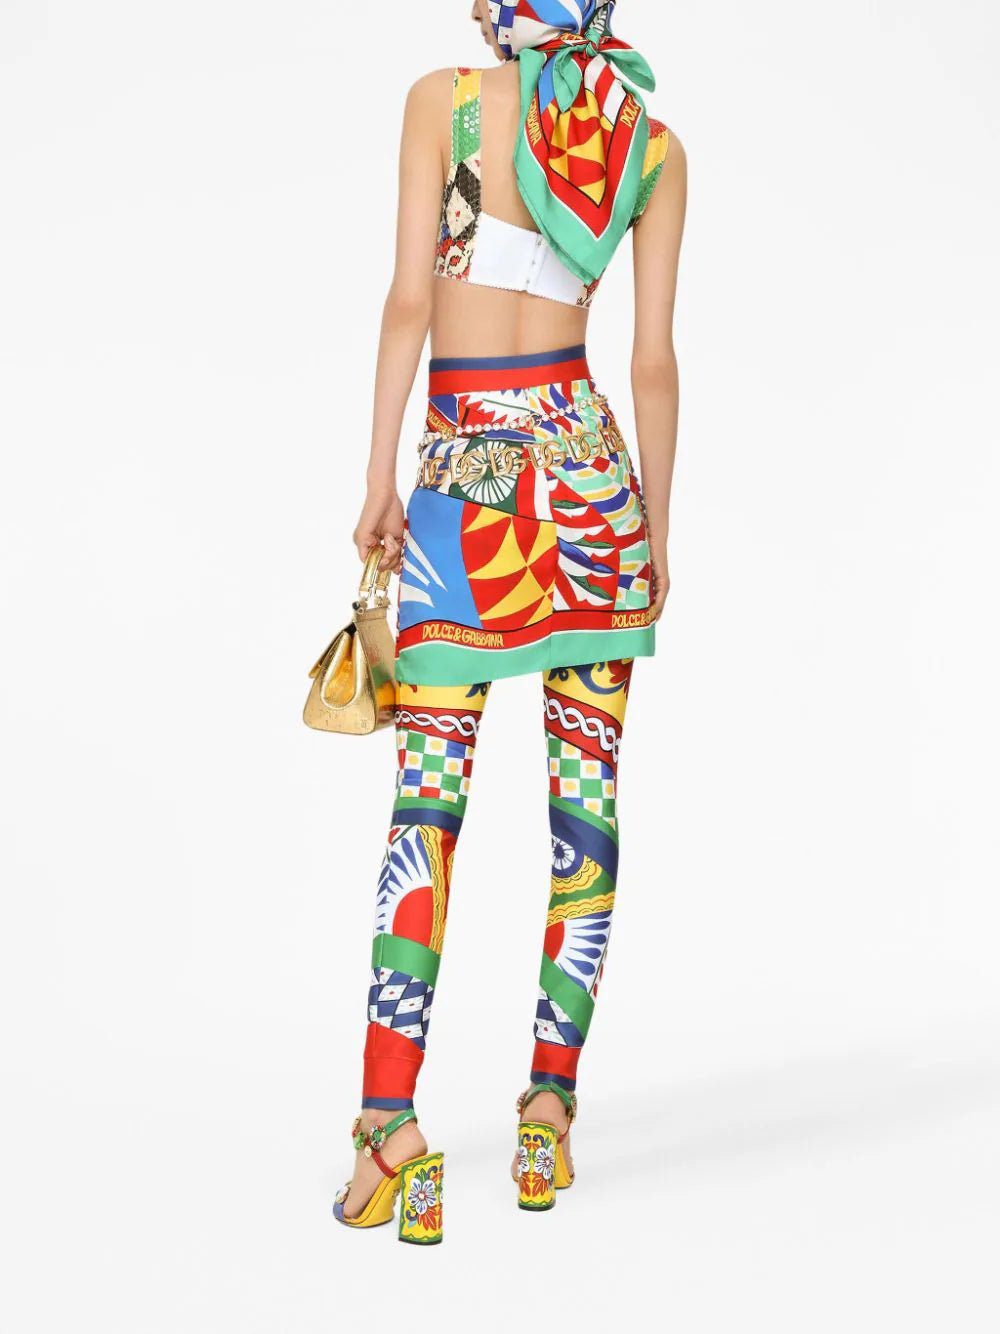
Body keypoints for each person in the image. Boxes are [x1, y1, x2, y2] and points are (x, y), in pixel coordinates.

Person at [334, 0, 686, 1241]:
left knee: (425, 809)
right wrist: (653, 528)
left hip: (466, 486)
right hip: (592, 492)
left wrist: (379, 476)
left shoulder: (444, 103)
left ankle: (390, 1130)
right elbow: (651, 360)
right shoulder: (649, 144)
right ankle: (547, 1113)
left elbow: (407, 303)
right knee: (583, 814)